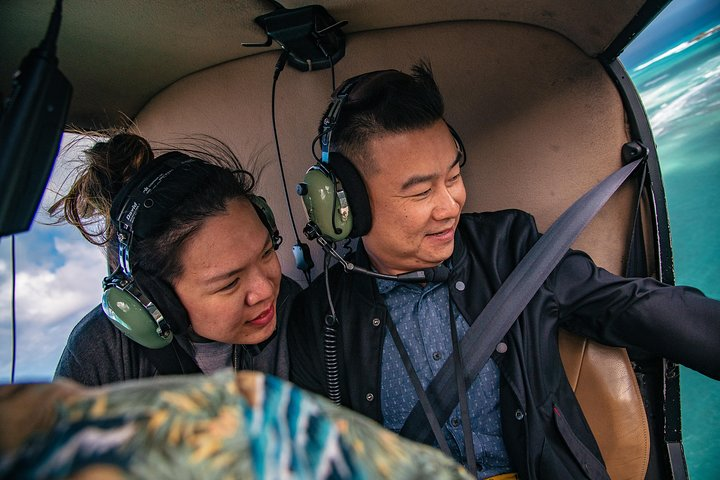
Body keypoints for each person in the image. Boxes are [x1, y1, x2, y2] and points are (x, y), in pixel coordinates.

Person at [287, 63, 720, 479]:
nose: (450, 205)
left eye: (454, 176)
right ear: (346, 208)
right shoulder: (320, 316)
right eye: (421, 192)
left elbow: (628, 305)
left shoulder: (509, 247)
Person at [51, 131, 301, 385]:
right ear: (160, 298)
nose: (266, 290)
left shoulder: (293, 305)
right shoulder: (101, 351)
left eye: (267, 253)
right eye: (229, 283)